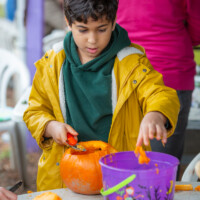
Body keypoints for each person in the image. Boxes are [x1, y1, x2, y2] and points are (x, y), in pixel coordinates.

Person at [23, 0, 180, 191]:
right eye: (82, 30)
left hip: (120, 175)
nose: (92, 39)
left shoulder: (131, 62)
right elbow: (34, 111)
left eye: (101, 29)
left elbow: (159, 93)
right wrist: (50, 126)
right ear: (68, 22)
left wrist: (155, 113)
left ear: (113, 22)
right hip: (65, 177)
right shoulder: (52, 63)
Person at [116, 0, 200, 170]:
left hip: (124, 69)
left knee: (117, 165)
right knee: (161, 169)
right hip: (170, 69)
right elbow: (198, 29)